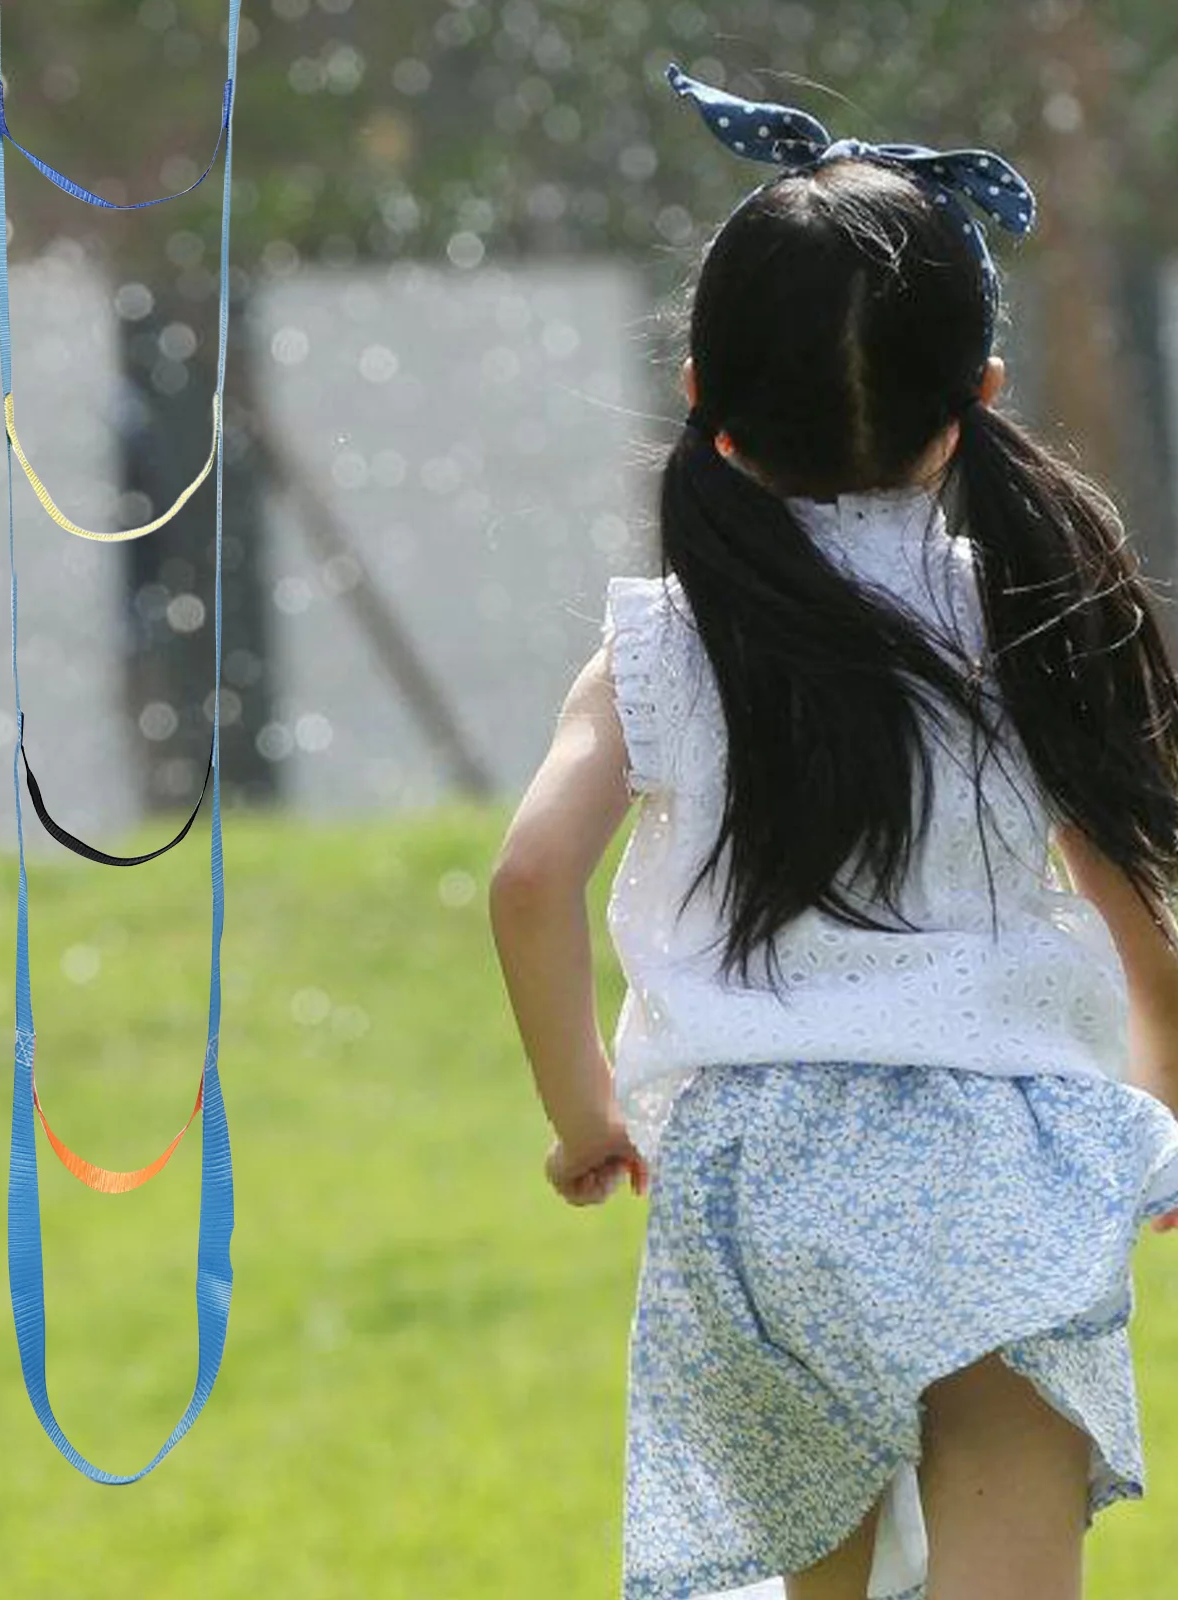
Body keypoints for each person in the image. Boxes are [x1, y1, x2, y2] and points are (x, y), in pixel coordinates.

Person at [488, 64, 1178, 1600]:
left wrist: (587, 1113)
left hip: (755, 1179)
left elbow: (531, 876)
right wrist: (1162, 1106)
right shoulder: (1027, 620)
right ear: (980, 391)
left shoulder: (663, 645)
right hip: (1006, 1155)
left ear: (702, 395)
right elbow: (1137, 907)